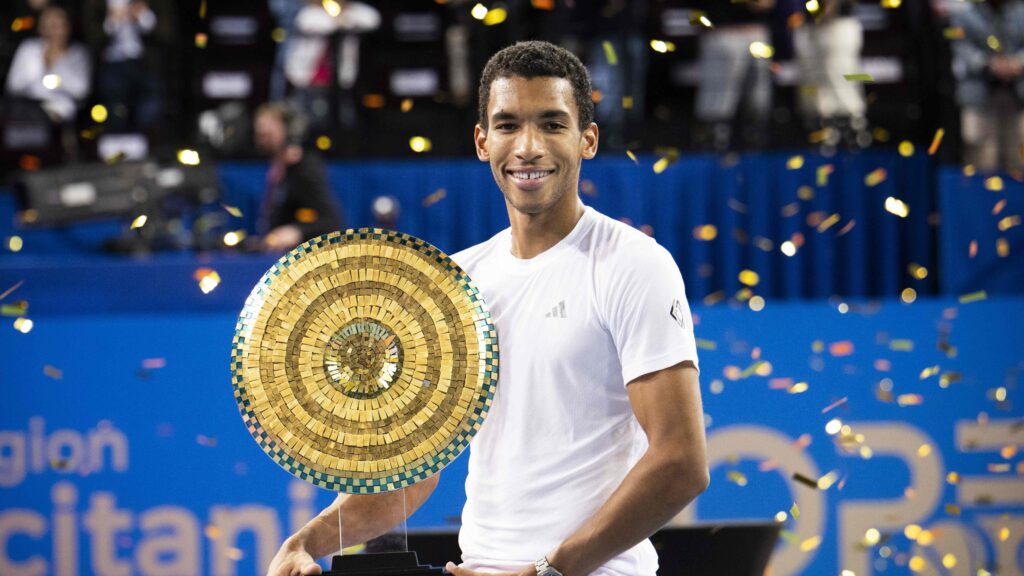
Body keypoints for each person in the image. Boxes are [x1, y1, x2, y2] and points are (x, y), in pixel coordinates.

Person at [266, 41, 708, 576]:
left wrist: (551, 570)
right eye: (507, 125)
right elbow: (412, 477)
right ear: (482, 141)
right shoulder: (458, 280)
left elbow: (681, 463)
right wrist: (305, 543)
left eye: (551, 124)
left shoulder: (634, 265)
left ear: (587, 139)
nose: (528, 147)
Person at [253, 101, 343, 252]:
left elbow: (331, 222)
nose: (263, 135)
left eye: (269, 132)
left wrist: (297, 231)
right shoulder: (275, 167)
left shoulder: (303, 168)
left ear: (289, 131)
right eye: (260, 134)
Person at [948, 0, 1024, 172]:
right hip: (979, 98)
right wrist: (989, 64)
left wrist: (1017, 63)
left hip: (1018, 98)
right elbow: (961, 48)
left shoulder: (1020, 12)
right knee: (982, 161)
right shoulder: (962, 14)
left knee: (1019, 161)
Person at [4, 4, 91, 123]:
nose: (54, 31)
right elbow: (13, 85)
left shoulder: (78, 53)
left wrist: (58, 65)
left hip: (63, 115)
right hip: (28, 112)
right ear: (41, 27)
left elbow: (81, 90)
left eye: (58, 25)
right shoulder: (29, 49)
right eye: (49, 25)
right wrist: (42, 61)